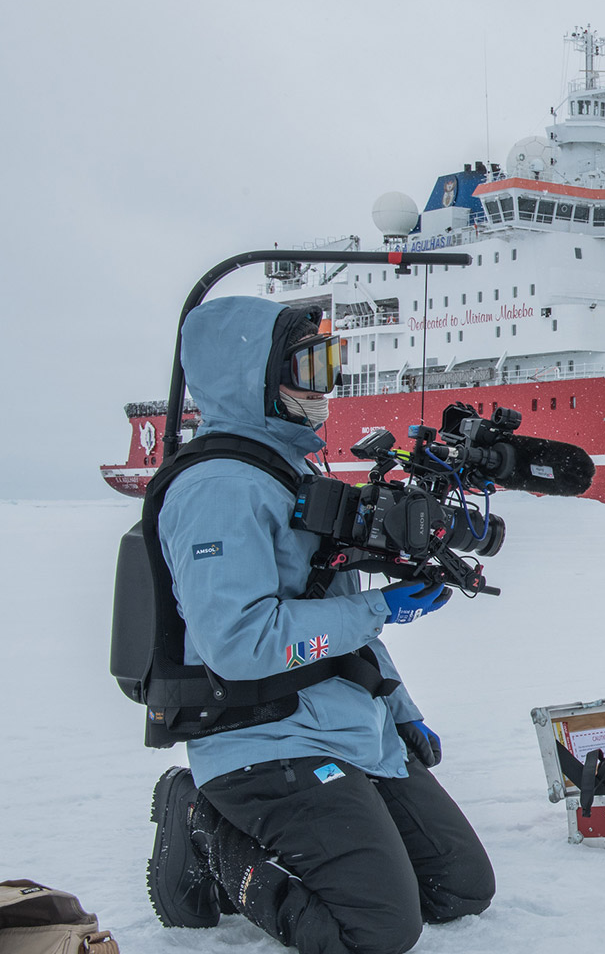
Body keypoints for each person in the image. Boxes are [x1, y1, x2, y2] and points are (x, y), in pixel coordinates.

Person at [145, 296, 494, 953]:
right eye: (307, 368)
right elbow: (239, 643)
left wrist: (398, 706)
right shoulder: (221, 489)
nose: (323, 388)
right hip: (263, 737)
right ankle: (203, 822)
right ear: (252, 375)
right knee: (375, 931)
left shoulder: (293, 474)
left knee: (458, 889)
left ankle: (340, 803)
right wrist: (380, 607)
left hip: (344, 724)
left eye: (329, 365)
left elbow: (335, 611)